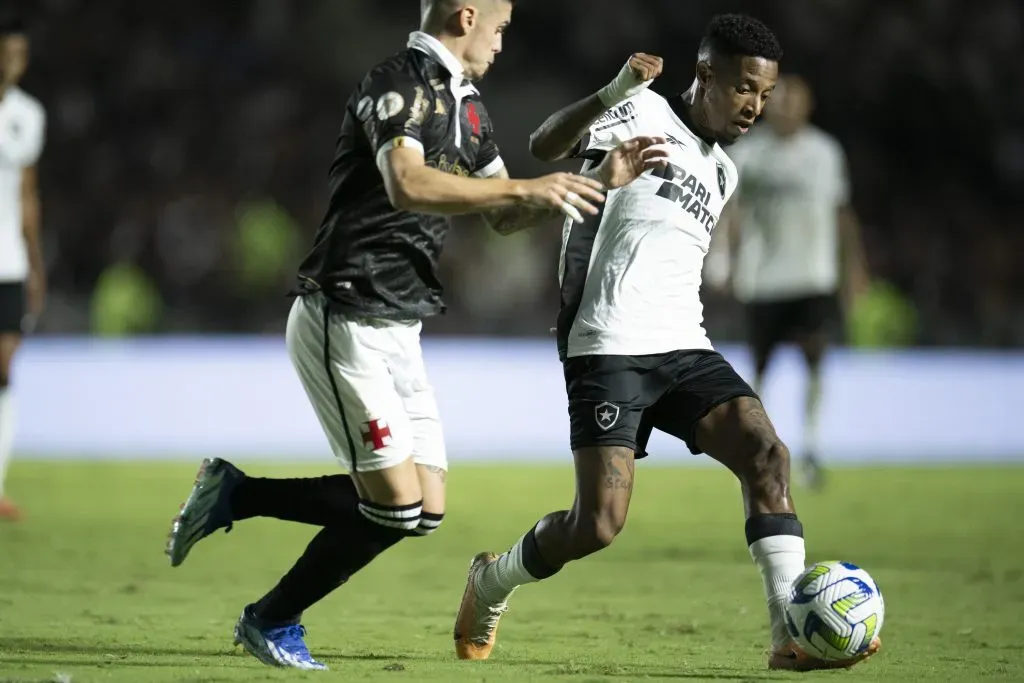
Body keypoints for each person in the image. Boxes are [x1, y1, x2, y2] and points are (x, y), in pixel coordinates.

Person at [164, 0, 666, 671]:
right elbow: (405, 183)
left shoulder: (470, 106)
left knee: (424, 508)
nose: (502, 40)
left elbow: (505, 217)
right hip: (343, 310)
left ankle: (236, 492)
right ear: (465, 16)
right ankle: (271, 616)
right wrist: (527, 185)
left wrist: (591, 181)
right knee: (395, 506)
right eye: (500, 26)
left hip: (400, 323)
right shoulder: (395, 83)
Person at [452, 14, 880, 672]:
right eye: (744, 88)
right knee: (596, 525)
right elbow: (543, 144)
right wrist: (611, 91)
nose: (754, 108)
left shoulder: (724, 171)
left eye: (763, 96)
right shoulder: (641, 108)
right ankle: (492, 580)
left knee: (767, 454)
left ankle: (787, 633)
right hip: (607, 344)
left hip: (684, 343)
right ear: (706, 74)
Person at [720, 74, 869, 489]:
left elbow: (841, 213)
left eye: (792, 101)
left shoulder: (825, 152)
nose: (785, 108)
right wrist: (721, 261)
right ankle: (755, 451)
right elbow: (731, 216)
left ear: (807, 106)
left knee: (815, 364)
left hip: (812, 277)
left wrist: (854, 270)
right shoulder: (749, 154)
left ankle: (812, 449)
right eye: (777, 101)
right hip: (763, 278)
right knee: (760, 372)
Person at [0, 16, 46, 522]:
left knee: (5, 365)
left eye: (16, 53)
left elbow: (27, 192)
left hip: (7, 258)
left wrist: (34, 262)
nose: (9, 62)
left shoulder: (27, 115)